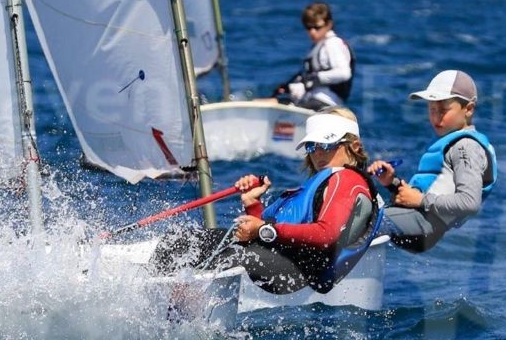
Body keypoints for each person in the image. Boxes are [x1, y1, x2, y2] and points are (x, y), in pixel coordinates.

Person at [150, 109, 381, 295]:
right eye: (312, 146)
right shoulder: (325, 182)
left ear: (354, 147)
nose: (318, 153)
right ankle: (149, 298)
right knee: (180, 240)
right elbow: (271, 233)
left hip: (295, 271)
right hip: (276, 256)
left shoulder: (347, 179)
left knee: (230, 256)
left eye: (327, 145)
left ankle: (178, 319)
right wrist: (253, 203)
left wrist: (262, 229)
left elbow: (327, 234)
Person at [368, 70, 497, 253]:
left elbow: (470, 202)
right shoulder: (453, 143)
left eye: (443, 110)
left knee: (361, 220)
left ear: (468, 109)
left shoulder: (466, 147)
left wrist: (421, 200)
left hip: (424, 225)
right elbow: (428, 191)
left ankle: (328, 263)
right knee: (356, 210)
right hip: (417, 219)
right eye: (432, 110)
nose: (436, 117)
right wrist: (392, 183)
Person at [273, 2, 355, 111]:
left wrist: (314, 79)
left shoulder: (332, 43)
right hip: (312, 100)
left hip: (326, 101)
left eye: (317, 27)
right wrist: (288, 87)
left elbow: (344, 73)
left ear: (329, 24)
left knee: (275, 104)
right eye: (308, 27)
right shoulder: (319, 46)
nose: (312, 32)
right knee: (273, 101)